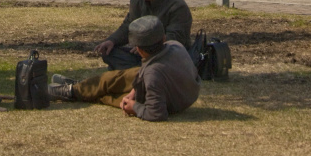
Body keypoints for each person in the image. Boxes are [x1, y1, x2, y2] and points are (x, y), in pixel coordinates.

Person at [48, 16, 200, 122]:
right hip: (182, 94)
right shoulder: (175, 45)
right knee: (115, 85)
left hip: (168, 100)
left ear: (139, 50)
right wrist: (135, 91)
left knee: (111, 85)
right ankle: (79, 87)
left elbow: (157, 114)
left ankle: (71, 91)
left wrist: (135, 107)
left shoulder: (153, 74)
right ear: (164, 39)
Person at [94, 0, 192, 70]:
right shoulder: (137, 2)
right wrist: (111, 41)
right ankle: (140, 70)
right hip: (140, 53)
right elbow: (128, 27)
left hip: (166, 54)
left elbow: (175, 38)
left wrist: (148, 47)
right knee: (109, 53)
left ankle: (138, 71)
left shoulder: (177, 6)